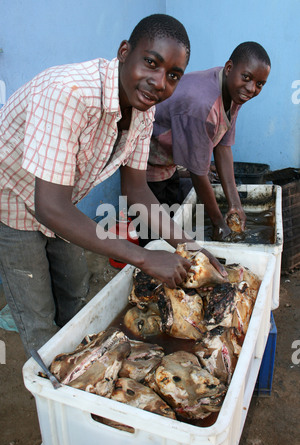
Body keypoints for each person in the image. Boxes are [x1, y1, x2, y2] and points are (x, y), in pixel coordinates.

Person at [0, 14, 226, 356]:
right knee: (39, 318)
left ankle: (83, 373)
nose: (159, 82)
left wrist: (189, 246)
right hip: (14, 198)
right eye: (151, 63)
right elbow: (49, 206)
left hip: (60, 201)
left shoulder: (143, 107)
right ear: (124, 52)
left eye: (173, 75)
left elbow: (137, 191)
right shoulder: (69, 94)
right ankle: (52, 398)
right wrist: (145, 258)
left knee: (76, 294)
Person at [146, 41, 271, 240]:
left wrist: (235, 205)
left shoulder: (233, 89)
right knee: (153, 229)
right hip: (148, 156)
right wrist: (218, 223)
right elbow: (198, 172)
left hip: (170, 161)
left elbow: (223, 146)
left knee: (171, 217)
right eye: (247, 78)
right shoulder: (202, 105)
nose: (251, 89)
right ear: (229, 68)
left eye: (259, 84)